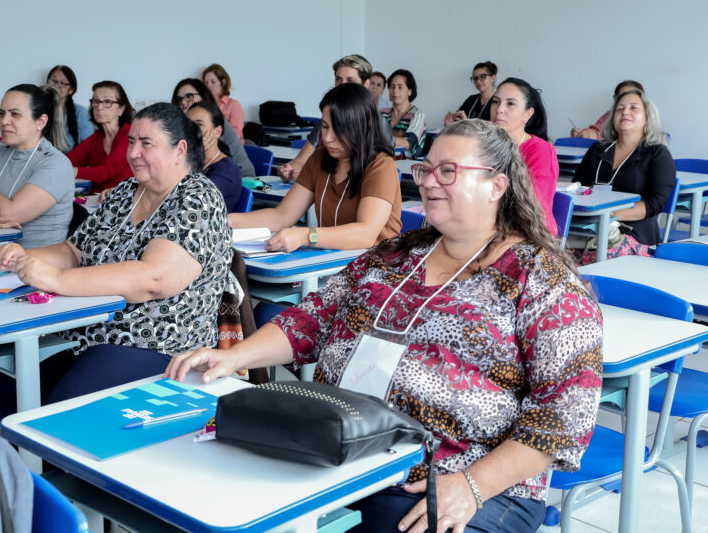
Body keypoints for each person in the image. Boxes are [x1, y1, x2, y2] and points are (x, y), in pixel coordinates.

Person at [166, 119, 603, 533]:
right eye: (427, 169)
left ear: (497, 185)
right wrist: (233, 356)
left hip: (455, 476)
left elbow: (563, 417)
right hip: (342, 444)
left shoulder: (544, 282)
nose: (428, 182)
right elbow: (311, 317)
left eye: (448, 172)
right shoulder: (395, 255)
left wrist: (474, 485)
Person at [0, 102, 233, 424]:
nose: (133, 153)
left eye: (146, 144)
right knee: (7, 373)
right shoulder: (126, 192)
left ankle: (51, 466)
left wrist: (56, 279)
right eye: (131, 142)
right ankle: (25, 466)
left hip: (156, 344)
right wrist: (23, 256)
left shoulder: (198, 198)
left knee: (65, 407)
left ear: (179, 150)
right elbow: (75, 252)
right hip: (87, 329)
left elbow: (153, 280)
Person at [230, 83, 401, 251]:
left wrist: (306, 236)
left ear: (360, 128)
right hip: (332, 264)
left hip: (378, 268)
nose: (327, 138)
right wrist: (226, 221)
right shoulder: (320, 158)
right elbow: (282, 215)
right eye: (325, 127)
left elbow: (365, 234)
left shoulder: (380, 166)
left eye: (339, 130)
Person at [0, 84, 74, 248]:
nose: (4, 121)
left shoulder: (55, 164)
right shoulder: (1, 155)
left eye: (15, 115)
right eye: (1, 113)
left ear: (40, 121)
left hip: (33, 263)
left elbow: (11, 215)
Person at [572, 89, 674, 260]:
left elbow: (656, 203)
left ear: (647, 118)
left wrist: (610, 216)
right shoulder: (597, 150)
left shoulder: (657, 154)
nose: (625, 112)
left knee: (591, 260)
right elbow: (577, 189)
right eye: (619, 109)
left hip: (633, 234)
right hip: (589, 230)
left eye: (634, 108)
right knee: (550, 255)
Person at [279, 54, 385, 182]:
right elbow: (301, 160)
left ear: (366, 84)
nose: (342, 85)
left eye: (350, 80)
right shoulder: (327, 118)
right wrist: (289, 169)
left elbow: (374, 170)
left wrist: (313, 172)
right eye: (338, 79)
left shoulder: (380, 123)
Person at [491, 77, 559, 234]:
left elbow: (531, 210)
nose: (499, 109)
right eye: (495, 102)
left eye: (510, 103)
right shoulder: (484, 146)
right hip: (489, 228)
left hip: (529, 234)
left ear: (527, 114)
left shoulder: (541, 151)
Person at [171, 78, 254, 177]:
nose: (183, 102)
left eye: (189, 96)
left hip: (240, 177)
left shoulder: (214, 121)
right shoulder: (185, 124)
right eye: (179, 99)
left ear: (203, 96)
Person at [66, 81, 134, 194]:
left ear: (121, 109)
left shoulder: (129, 135)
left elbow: (104, 172)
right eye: (96, 101)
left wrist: (74, 171)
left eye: (107, 102)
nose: (99, 107)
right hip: (93, 199)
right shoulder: (96, 138)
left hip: (122, 200)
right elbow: (66, 162)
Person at [186, 101, 241, 212]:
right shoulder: (192, 161)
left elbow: (190, 200)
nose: (191, 130)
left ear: (217, 132)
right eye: (188, 124)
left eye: (199, 124)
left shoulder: (226, 172)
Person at [570, 80, 644, 141]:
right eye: (620, 97)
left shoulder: (650, 118)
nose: (625, 112)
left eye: (631, 96)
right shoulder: (611, 114)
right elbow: (596, 129)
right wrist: (587, 134)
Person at [46, 65, 94, 151]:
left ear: (71, 89)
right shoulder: (37, 108)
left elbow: (88, 148)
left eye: (63, 83)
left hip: (71, 162)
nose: (57, 85)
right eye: (54, 81)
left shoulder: (80, 113)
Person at [381, 69, 426, 157]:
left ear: (410, 91)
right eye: (392, 87)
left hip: (408, 164)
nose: (395, 91)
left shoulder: (417, 115)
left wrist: (378, 141)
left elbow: (407, 143)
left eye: (400, 87)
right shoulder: (382, 113)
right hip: (384, 161)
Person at [202, 63, 245, 143]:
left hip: (230, 149)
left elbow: (235, 135)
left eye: (213, 82)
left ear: (223, 82)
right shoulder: (203, 105)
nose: (208, 86)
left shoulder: (234, 105)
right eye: (206, 83)